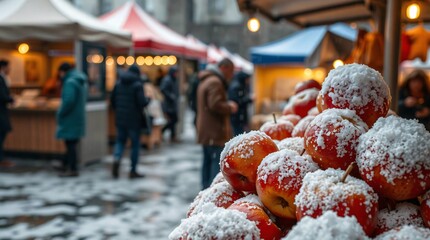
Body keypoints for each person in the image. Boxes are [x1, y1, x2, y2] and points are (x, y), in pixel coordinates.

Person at [196, 58, 238, 189]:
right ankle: (212, 190)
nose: (231, 75)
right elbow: (215, 104)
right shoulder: (215, 82)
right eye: (231, 71)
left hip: (207, 130)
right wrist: (230, 107)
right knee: (215, 163)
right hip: (214, 131)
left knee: (207, 162)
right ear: (224, 68)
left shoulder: (207, 80)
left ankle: (205, 189)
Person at [111, 65, 150, 179]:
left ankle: (117, 158)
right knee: (135, 145)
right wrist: (148, 100)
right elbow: (142, 103)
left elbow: (113, 101)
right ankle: (133, 170)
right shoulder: (137, 85)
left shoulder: (118, 83)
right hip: (134, 120)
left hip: (120, 118)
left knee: (120, 141)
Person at [56, 63, 87, 177]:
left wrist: (60, 113)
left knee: (70, 144)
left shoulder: (70, 82)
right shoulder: (79, 80)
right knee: (72, 143)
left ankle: (72, 168)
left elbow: (68, 101)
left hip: (70, 117)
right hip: (77, 117)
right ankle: (65, 163)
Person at [228, 71, 253, 136]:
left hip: (239, 116)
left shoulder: (240, 86)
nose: (248, 81)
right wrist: (249, 99)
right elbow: (237, 102)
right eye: (247, 79)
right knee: (239, 134)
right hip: (237, 117)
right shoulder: (237, 87)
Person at [0, 60, 14, 168]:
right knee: (1, 135)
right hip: (1, 113)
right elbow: (3, 96)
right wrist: (11, 99)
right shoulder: (1, 79)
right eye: (7, 67)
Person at [160, 67, 179, 142]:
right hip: (169, 105)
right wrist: (171, 96)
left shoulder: (173, 79)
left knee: (173, 120)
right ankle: (163, 132)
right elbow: (163, 89)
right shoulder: (167, 80)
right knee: (173, 120)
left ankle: (172, 136)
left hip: (172, 105)